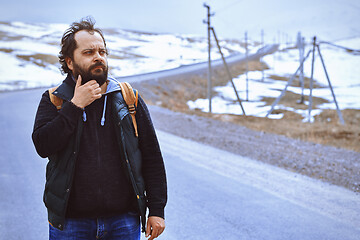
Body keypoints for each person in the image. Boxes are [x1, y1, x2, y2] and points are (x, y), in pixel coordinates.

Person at [32, 17, 167, 240]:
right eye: (88, 52)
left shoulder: (127, 98)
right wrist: (75, 106)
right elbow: (43, 146)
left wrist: (157, 210)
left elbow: (151, 156)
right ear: (69, 62)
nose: (98, 58)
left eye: (102, 52)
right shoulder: (54, 100)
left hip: (123, 221)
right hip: (71, 223)